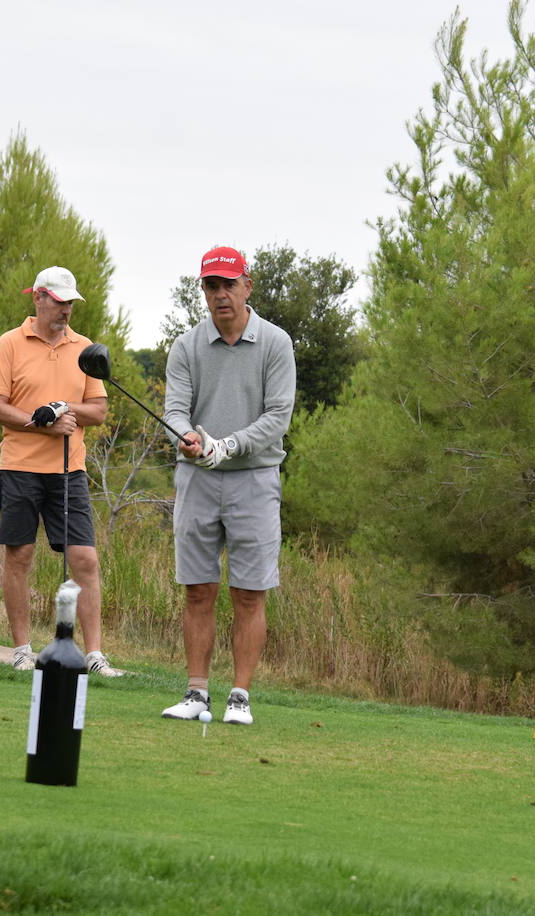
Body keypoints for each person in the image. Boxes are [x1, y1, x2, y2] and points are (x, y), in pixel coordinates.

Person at [159, 246, 296, 725]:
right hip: (197, 479)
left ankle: (239, 695)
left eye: (228, 285)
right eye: (211, 286)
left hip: (255, 481)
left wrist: (228, 446)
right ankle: (197, 693)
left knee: (249, 592)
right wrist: (188, 436)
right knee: (198, 589)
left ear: (247, 286)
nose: (220, 295)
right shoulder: (187, 346)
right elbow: (175, 409)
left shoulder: (276, 343)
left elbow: (277, 417)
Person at [0, 266, 122, 676]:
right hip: (20, 467)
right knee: (19, 555)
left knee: (85, 559)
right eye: (59, 302)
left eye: (70, 303)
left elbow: (97, 410)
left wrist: (63, 409)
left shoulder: (85, 349)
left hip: (69, 471)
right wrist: (37, 420)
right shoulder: (10, 343)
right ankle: (22, 650)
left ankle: (94, 654)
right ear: (38, 298)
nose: (65, 310)